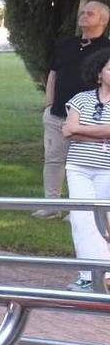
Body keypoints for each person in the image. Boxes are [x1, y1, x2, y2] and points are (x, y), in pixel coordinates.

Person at [40, 0, 110, 218]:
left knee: (80, 162)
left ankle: (78, 209)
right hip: (57, 112)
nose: (84, 16)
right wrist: (49, 103)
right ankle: (51, 206)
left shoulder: (106, 49)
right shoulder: (66, 44)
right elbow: (53, 73)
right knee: (53, 159)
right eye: (83, 12)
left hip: (89, 117)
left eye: (90, 14)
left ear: (103, 20)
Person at [61, 47, 110, 282]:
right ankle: (88, 276)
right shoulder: (81, 99)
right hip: (79, 168)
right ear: (99, 73)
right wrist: (101, 134)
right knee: (82, 220)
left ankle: (106, 274)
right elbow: (68, 130)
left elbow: (76, 130)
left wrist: (81, 130)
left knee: (105, 220)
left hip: (106, 168)